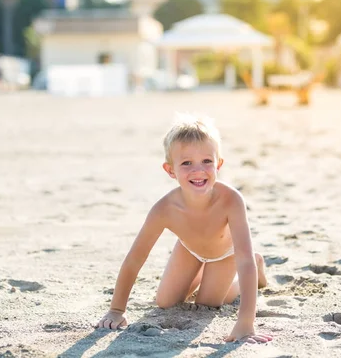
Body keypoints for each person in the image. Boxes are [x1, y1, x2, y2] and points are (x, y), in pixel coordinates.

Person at [96, 113, 271, 343]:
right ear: (170, 170)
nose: (198, 170)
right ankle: (198, 270)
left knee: (207, 303)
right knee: (165, 302)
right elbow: (134, 259)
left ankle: (258, 271)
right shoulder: (165, 208)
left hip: (226, 254)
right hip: (190, 249)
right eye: (186, 163)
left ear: (218, 164)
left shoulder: (231, 200)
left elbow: (244, 260)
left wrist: (245, 324)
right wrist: (117, 309)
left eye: (207, 161)